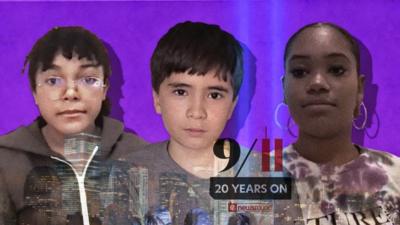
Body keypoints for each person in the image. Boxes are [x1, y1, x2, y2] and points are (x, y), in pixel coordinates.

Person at [125, 21, 269, 225]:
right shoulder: (128, 175)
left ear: (232, 106)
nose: (197, 111)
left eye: (214, 94)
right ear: (157, 99)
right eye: (181, 92)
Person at [0, 26, 147, 225]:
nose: (70, 93)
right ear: (35, 92)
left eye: (88, 79)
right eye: (53, 80)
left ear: (104, 89)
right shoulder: (6, 161)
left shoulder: (138, 155)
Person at [275, 22, 400, 225]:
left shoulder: (397, 177)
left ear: (360, 89)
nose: (317, 83)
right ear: (284, 89)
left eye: (336, 69)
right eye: (299, 72)